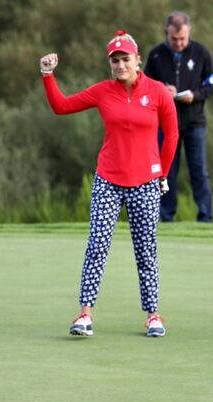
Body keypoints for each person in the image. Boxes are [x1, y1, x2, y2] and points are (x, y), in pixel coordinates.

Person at [40, 30, 178, 337]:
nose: (119, 65)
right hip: (109, 180)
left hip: (146, 182)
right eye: (114, 60)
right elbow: (61, 106)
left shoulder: (157, 92)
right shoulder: (103, 91)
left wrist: (162, 174)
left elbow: (172, 135)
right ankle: (85, 314)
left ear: (137, 60)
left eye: (125, 59)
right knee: (97, 246)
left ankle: (153, 315)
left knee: (146, 250)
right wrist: (47, 75)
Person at [145, 11, 213, 222]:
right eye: (174, 39)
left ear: (189, 33)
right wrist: (162, 90)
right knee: (166, 172)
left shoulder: (201, 53)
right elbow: (145, 85)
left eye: (182, 39)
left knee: (199, 172)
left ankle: (205, 217)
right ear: (166, 34)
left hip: (195, 122)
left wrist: (195, 95)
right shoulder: (156, 55)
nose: (178, 43)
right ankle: (166, 217)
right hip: (165, 125)